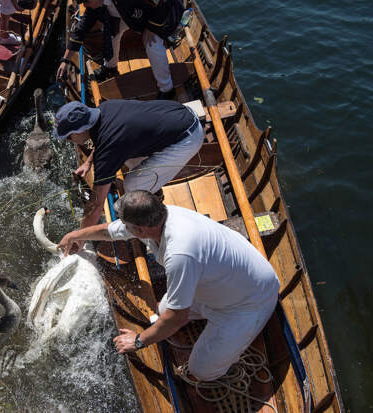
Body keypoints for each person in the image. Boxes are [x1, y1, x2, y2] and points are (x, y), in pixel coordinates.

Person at [57, 190, 280, 381]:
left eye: (127, 225)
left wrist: (138, 340)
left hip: (248, 302)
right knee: (162, 312)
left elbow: (177, 318)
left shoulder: (180, 253)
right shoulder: (158, 217)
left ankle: (233, 345)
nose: (123, 227)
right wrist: (75, 235)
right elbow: (109, 231)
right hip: (220, 286)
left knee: (201, 370)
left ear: (141, 230)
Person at [53, 99, 203, 229]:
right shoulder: (105, 108)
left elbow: (96, 205)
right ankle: (153, 189)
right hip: (181, 113)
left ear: (80, 131)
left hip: (188, 138)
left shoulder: (109, 147)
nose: (69, 141)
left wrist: (79, 237)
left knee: (131, 187)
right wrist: (88, 163)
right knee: (125, 157)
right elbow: (105, 141)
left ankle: (154, 212)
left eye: (68, 138)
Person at [56, 0, 184, 99]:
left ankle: (167, 89)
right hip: (128, 15)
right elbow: (80, 30)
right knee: (111, 33)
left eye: (86, 1)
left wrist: (152, 27)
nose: (84, 5)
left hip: (159, 15)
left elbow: (165, 2)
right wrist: (65, 60)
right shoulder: (94, 6)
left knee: (152, 43)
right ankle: (110, 67)